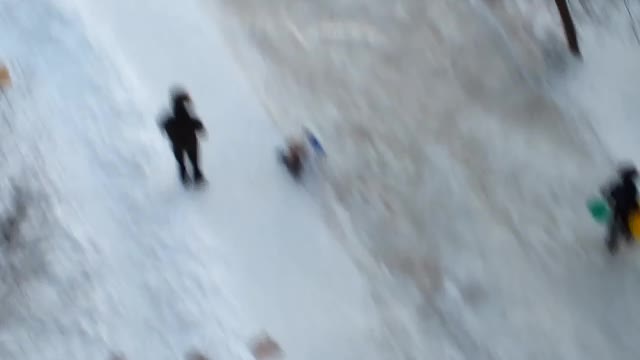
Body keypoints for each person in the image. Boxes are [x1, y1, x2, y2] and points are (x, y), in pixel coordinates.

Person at [160, 87, 207, 185]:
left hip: (177, 144)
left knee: (181, 164)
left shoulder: (169, 119)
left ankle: (185, 180)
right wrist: (201, 129)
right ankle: (197, 177)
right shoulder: (188, 117)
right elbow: (198, 126)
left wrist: (166, 131)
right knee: (194, 162)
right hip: (191, 143)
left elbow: (164, 125)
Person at [602, 164, 639, 253]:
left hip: (617, 213)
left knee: (614, 233)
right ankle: (620, 243)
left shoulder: (617, 185)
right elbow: (632, 202)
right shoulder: (631, 187)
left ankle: (612, 247)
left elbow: (607, 194)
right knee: (626, 232)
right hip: (625, 215)